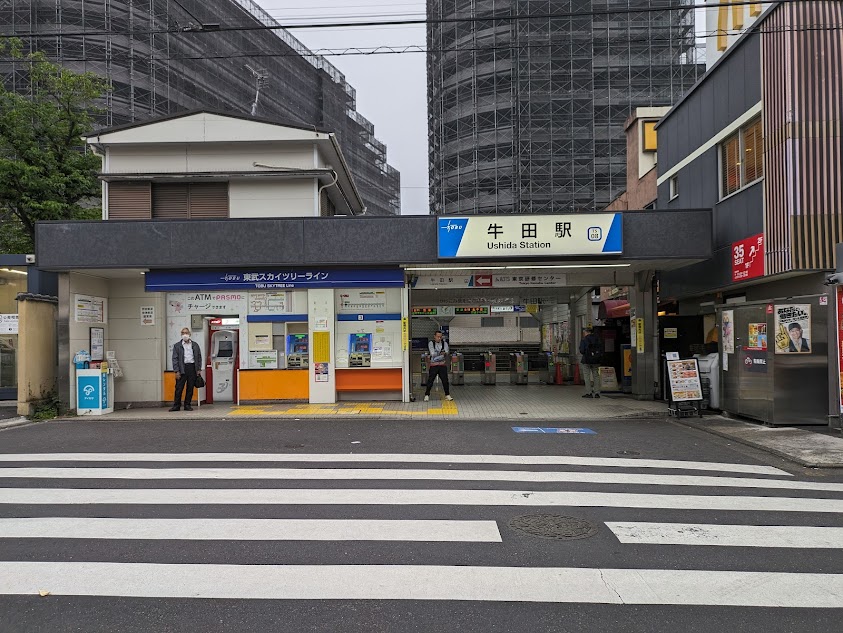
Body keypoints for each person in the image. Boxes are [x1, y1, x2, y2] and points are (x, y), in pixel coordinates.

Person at [171, 327, 202, 411]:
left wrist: (198, 369)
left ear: (190, 334)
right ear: (181, 335)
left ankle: (187, 405)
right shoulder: (177, 346)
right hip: (182, 368)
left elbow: (199, 357)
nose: (185, 335)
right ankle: (176, 405)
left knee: (190, 387)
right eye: (183, 333)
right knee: (179, 388)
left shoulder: (195, 345)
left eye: (186, 333)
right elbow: (175, 359)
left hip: (192, 367)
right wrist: (176, 371)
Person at [424, 330, 453, 402]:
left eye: (440, 337)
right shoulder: (431, 343)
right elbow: (432, 353)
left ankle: (447, 395)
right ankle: (427, 395)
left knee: (445, 380)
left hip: (442, 365)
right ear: (434, 336)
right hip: (433, 366)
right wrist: (441, 354)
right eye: (438, 337)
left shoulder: (444, 343)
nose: (439, 338)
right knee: (430, 380)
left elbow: (446, 353)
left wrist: (438, 354)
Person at [579, 325, 603, 399]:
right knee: (596, 376)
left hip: (586, 360)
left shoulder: (584, 339)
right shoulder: (598, 339)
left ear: (586, 332)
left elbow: (582, 350)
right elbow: (601, 349)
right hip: (596, 360)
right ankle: (597, 393)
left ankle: (589, 392)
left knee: (587, 376)